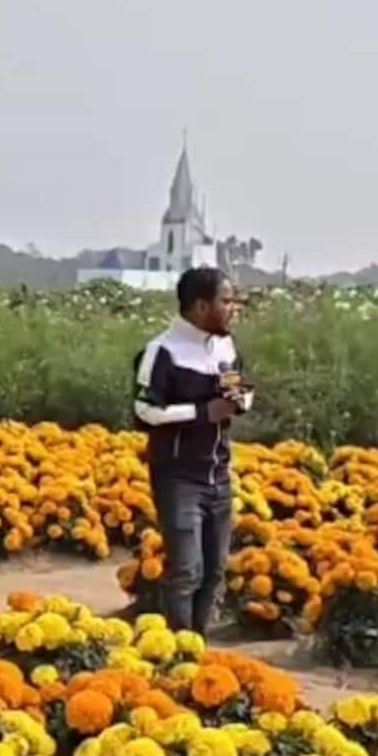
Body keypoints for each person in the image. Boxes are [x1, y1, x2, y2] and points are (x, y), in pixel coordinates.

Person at [132, 267, 251, 634]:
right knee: (186, 571)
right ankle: (177, 651)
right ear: (201, 306)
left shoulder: (225, 346)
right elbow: (143, 411)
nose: (234, 308)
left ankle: (196, 644)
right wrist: (201, 413)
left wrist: (241, 400)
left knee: (214, 571)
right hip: (178, 477)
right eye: (226, 301)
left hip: (218, 474)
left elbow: (243, 389)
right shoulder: (162, 351)